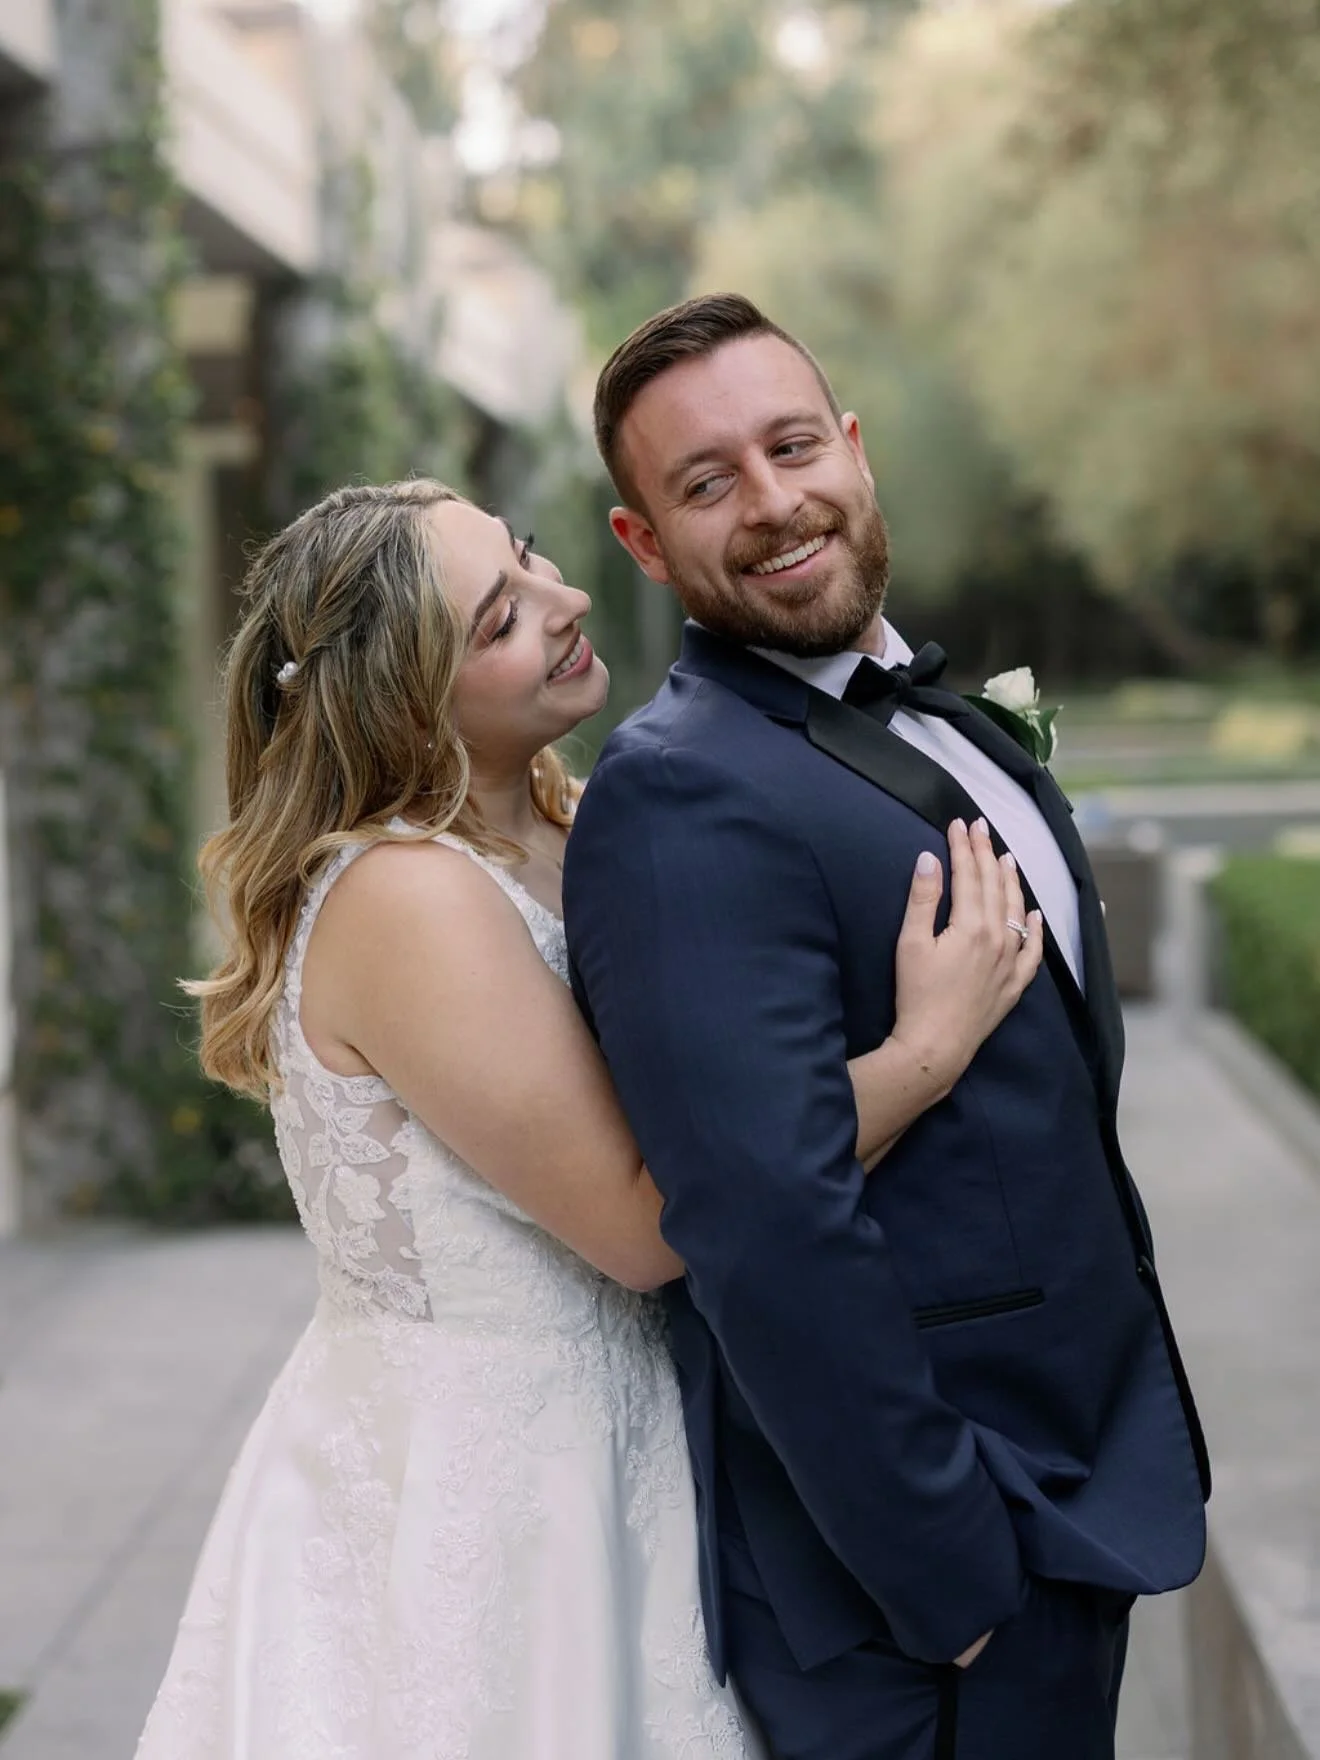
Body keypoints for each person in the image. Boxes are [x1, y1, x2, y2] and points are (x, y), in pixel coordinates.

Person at [134, 477, 1043, 1760]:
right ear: (405, 698)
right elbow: (646, 1223)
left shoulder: (567, 824)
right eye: (499, 620)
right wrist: (924, 1051)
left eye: (528, 560)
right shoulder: (406, 896)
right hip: (490, 1492)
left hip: (624, 1437)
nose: (562, 601)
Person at [564, 293, 1212, 1760]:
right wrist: (955, 1580)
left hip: (1074, 1489)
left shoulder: (936, 718)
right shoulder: (678, 792)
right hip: (923, 1596)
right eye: (707, 481)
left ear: (854, 449)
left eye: (792, 446)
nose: (772, 500)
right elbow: (762, 1219)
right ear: (644, 544)